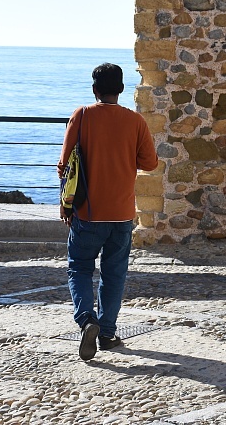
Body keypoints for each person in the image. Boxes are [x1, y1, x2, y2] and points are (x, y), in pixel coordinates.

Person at [57, 63, 158, 362]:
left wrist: (65, 204)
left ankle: (87, 319)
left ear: (94, 89)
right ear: (122, 89)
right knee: (114, 274)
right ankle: (108, 333)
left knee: (79, 267)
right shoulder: (135, 121)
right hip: (122, 212)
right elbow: (150, 163)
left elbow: (65, 164)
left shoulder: (83, 115)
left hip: (88, 212)